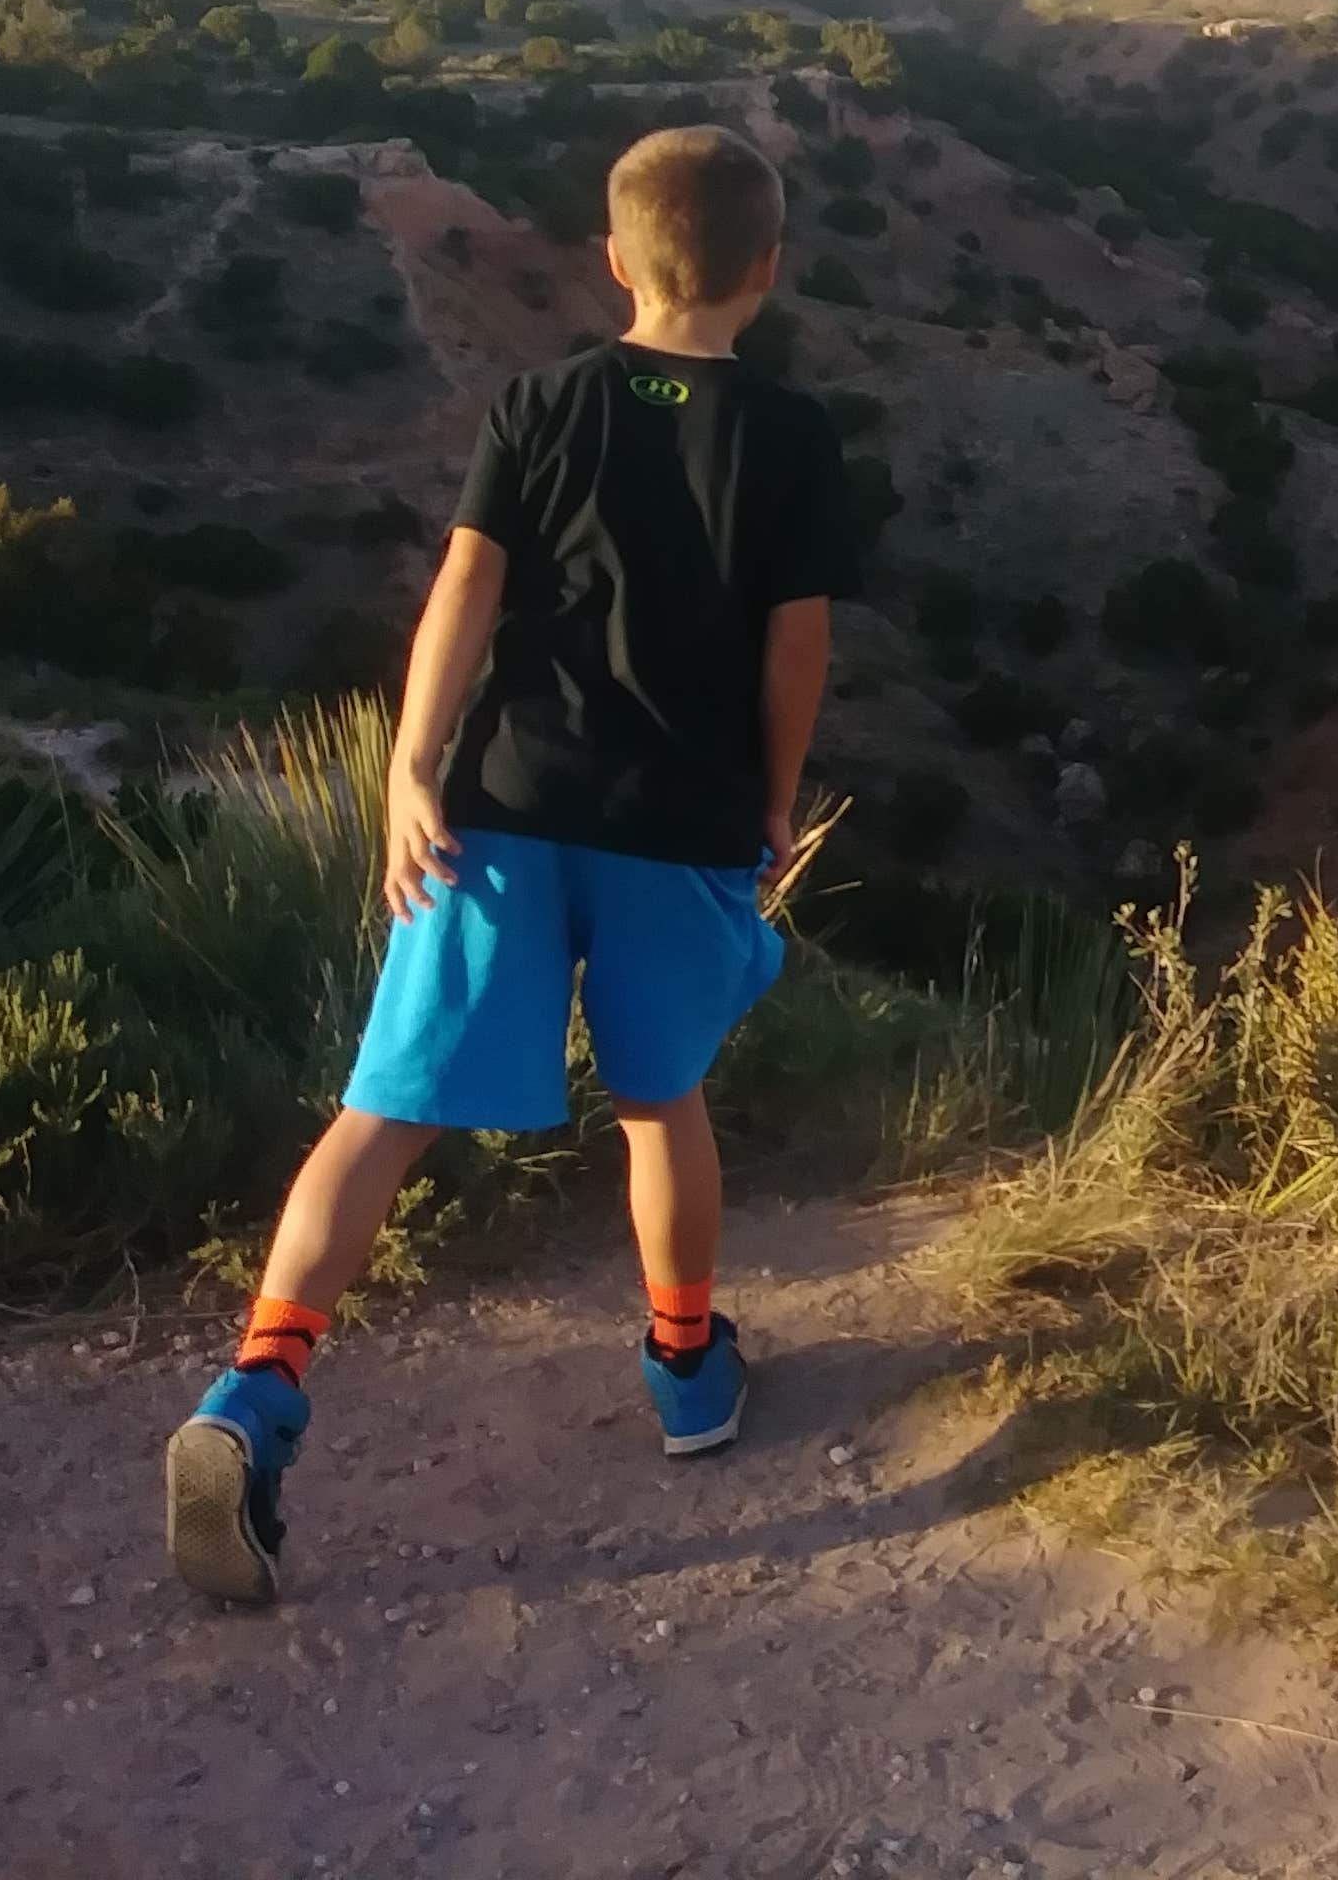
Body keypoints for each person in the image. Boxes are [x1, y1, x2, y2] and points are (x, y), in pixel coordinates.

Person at [165, 125, 853, 1607]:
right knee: (663, 1104)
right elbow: (800, 647)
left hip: (499, 806)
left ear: (612, 263)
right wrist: (778, 802)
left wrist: (410, 774)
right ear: (767, 272)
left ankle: (258, 1390)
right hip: (679, 821)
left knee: (382, 1112)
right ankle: (685, 1365)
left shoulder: (538, 403)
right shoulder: (792, 436)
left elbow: (463, 591)